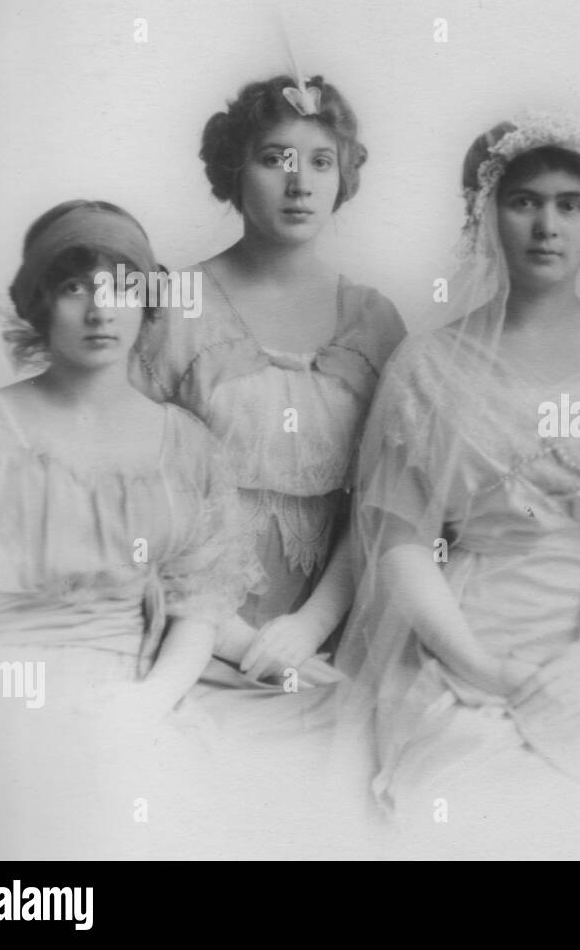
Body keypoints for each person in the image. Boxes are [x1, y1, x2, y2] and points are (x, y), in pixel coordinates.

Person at [336, 112, 580, 852]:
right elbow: (400, 541)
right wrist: (480, 666)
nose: (547, 225)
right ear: (488, 215)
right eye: (525, 201)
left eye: (570, 204)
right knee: (462, 802)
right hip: (466, 637)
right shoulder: (429, 362)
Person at [0, 200, 257, 857]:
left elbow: (199, 601)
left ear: (146, 303)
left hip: (134, 696)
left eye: (122, 286)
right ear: (37, 304)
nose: (99, 309)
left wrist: (145, 706)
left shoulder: (185, 442)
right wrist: (22, 708)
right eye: (72, 286)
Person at [133, 74, 405, 710]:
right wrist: (230, 639)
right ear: (234, 171)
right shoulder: (177, 307)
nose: (299, 182)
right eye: (273, 159)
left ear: (343, 179)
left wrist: (307, 631)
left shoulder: (375, 321)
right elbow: (138, 503)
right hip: (188, 634)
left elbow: (384, 503)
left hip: (335, 632)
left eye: (320, 162)